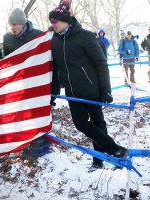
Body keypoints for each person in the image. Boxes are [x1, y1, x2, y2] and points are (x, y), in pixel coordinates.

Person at [49, 0, 128, 172]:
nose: (52, 25)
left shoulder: (85, 36)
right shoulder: (54, 41)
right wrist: (53, 94)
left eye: (55, 21)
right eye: (51, 22)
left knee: (98, 123)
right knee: (81, 124)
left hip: (92, 89)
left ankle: (99, 160)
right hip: (72, 92)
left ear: (66, 21)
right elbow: (55, 70)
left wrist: (106, 90)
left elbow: (101, 63)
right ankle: (114, 148)